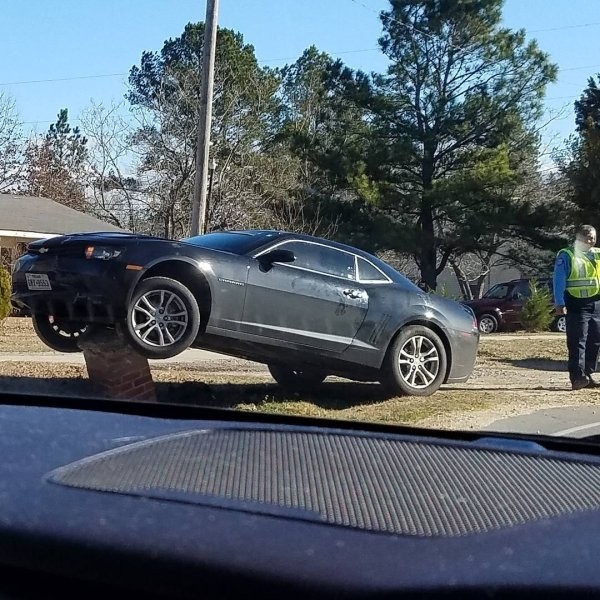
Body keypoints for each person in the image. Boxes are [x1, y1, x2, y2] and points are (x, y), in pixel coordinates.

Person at [553, 224, 600, 390]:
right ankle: (577, 377)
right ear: (579, 237)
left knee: (594, 341)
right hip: (576, 303)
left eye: (593, 237)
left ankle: (588, 373)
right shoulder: (567, 255)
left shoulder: (597, 254)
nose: (591, 241)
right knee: (578, 341)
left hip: (596, 303)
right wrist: (559, 302)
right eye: (587, 237)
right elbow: (559, 280)